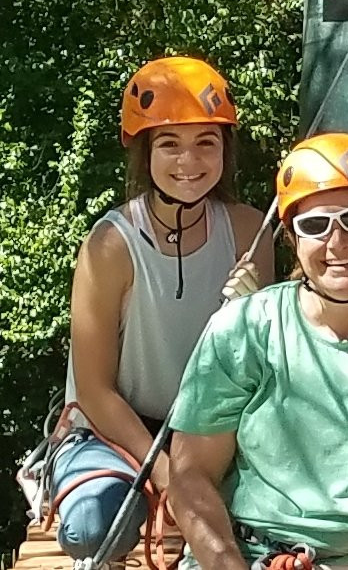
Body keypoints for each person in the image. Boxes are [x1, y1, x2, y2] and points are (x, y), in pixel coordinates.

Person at [168, 132, 348, 570]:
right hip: (246, 555)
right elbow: (191, 475)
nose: (338, 242)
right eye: (315, 225)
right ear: (292, 238)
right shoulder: (244, 329)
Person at [51, 56, 273, 561]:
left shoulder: (247, 231)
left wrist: (254, 312)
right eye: (169, 145)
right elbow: (94, 390)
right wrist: (169, 475)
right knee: (92, 525)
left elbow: (266, 365)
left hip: (212, 431)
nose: (188, 163)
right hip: (113, 431)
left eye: (206, 144)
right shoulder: (110, 245)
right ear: (144, 153)